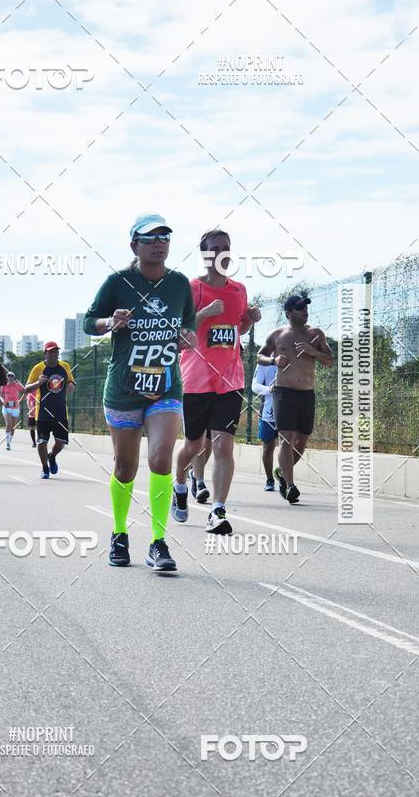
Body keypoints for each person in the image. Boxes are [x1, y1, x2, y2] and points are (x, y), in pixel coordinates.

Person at [84, 212, 197, 572]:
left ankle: (159, 543)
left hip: (165, 387)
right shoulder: (117, 282)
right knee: (125, 467)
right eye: (149, 238)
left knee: (161, 459)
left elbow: (188, 324)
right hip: (124, 390)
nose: (158, 243)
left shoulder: (180, 284)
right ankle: (119, 534)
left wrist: (187, 337)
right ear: (134, 244)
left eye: (164, 237)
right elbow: (90, 322)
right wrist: (108, 322)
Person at [172, 230, 261, 534]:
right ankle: (180, 484)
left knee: (223, 444)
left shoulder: (239, 290)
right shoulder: (192, 289)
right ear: (205, 254)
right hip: (196, 378)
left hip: (230, 380)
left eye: (226, 247)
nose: (222, 252)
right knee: (194, 445)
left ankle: (218, 510)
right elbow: (180, 332)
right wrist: (204, 312)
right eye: (215, 248)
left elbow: (238, 329)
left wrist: (250, 319)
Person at [257, 295, 334, 503]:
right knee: (286, 439)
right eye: (300, 308)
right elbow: (260, 356)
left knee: (301, 442)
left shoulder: (315, 334)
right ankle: (290, 486)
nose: (305, 311)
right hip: (284, 393)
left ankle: (282, 473)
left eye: (306, 307)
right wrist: (274, 359)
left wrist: (313, 352)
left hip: (307, 394)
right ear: (289, 312)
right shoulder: (278, 335)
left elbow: (330, 361)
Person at [25, 342, 75, 478]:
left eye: (55, 351)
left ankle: (52, 456)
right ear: (45, 354)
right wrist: (39, 383)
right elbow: (27, 388)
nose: (53, 354)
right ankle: (45, 468)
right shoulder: (38, 368)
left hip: (60, 411)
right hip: (43, 412)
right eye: (50, 352)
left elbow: (71, 383)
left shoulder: (64, 366)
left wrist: (68, 389)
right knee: (42, 441)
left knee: (61, 442)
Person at [252, 362, 278, 490]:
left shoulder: (291, 355)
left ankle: (285, 476)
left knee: (290, 445)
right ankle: (270, 479)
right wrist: (269, 389)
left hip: (289, 408)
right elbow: (254, 386)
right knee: (268, 447)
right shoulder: (264, 361)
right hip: (268, 411)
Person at [0, 371, 25, 450]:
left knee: (13, 427)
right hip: (6, 407)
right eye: (9, 376)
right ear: (7, 377)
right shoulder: (4, 385)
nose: (10, 377)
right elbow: (1, 396)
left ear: (14, 377)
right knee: (8, 425)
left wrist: (20, 400)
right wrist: (3, 401)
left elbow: (26, 391)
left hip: (15, 407)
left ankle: (9, 442)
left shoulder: (17, 385)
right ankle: (7, 443)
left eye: (12, 376)